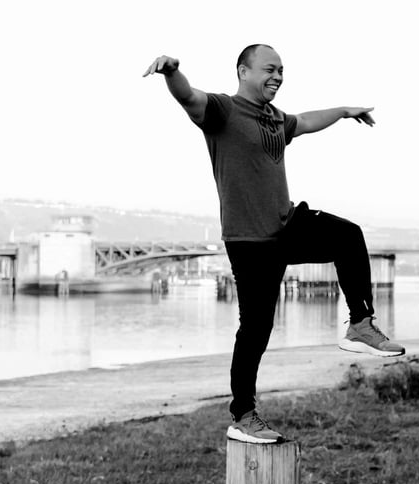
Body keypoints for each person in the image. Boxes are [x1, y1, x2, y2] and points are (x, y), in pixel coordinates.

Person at [144, 44, 405, 444]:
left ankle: (360, 325)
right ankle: (243, 416)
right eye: (270, 69)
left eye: (282, 70)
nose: (278, 77)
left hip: (287, 224)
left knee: (348, 236)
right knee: (256, 329)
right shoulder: (223, 111)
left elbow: (306, 121)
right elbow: (188, 97)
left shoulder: (274, 118)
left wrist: (343, 111)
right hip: (250, 240)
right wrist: (171, 72)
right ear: (243, 71)